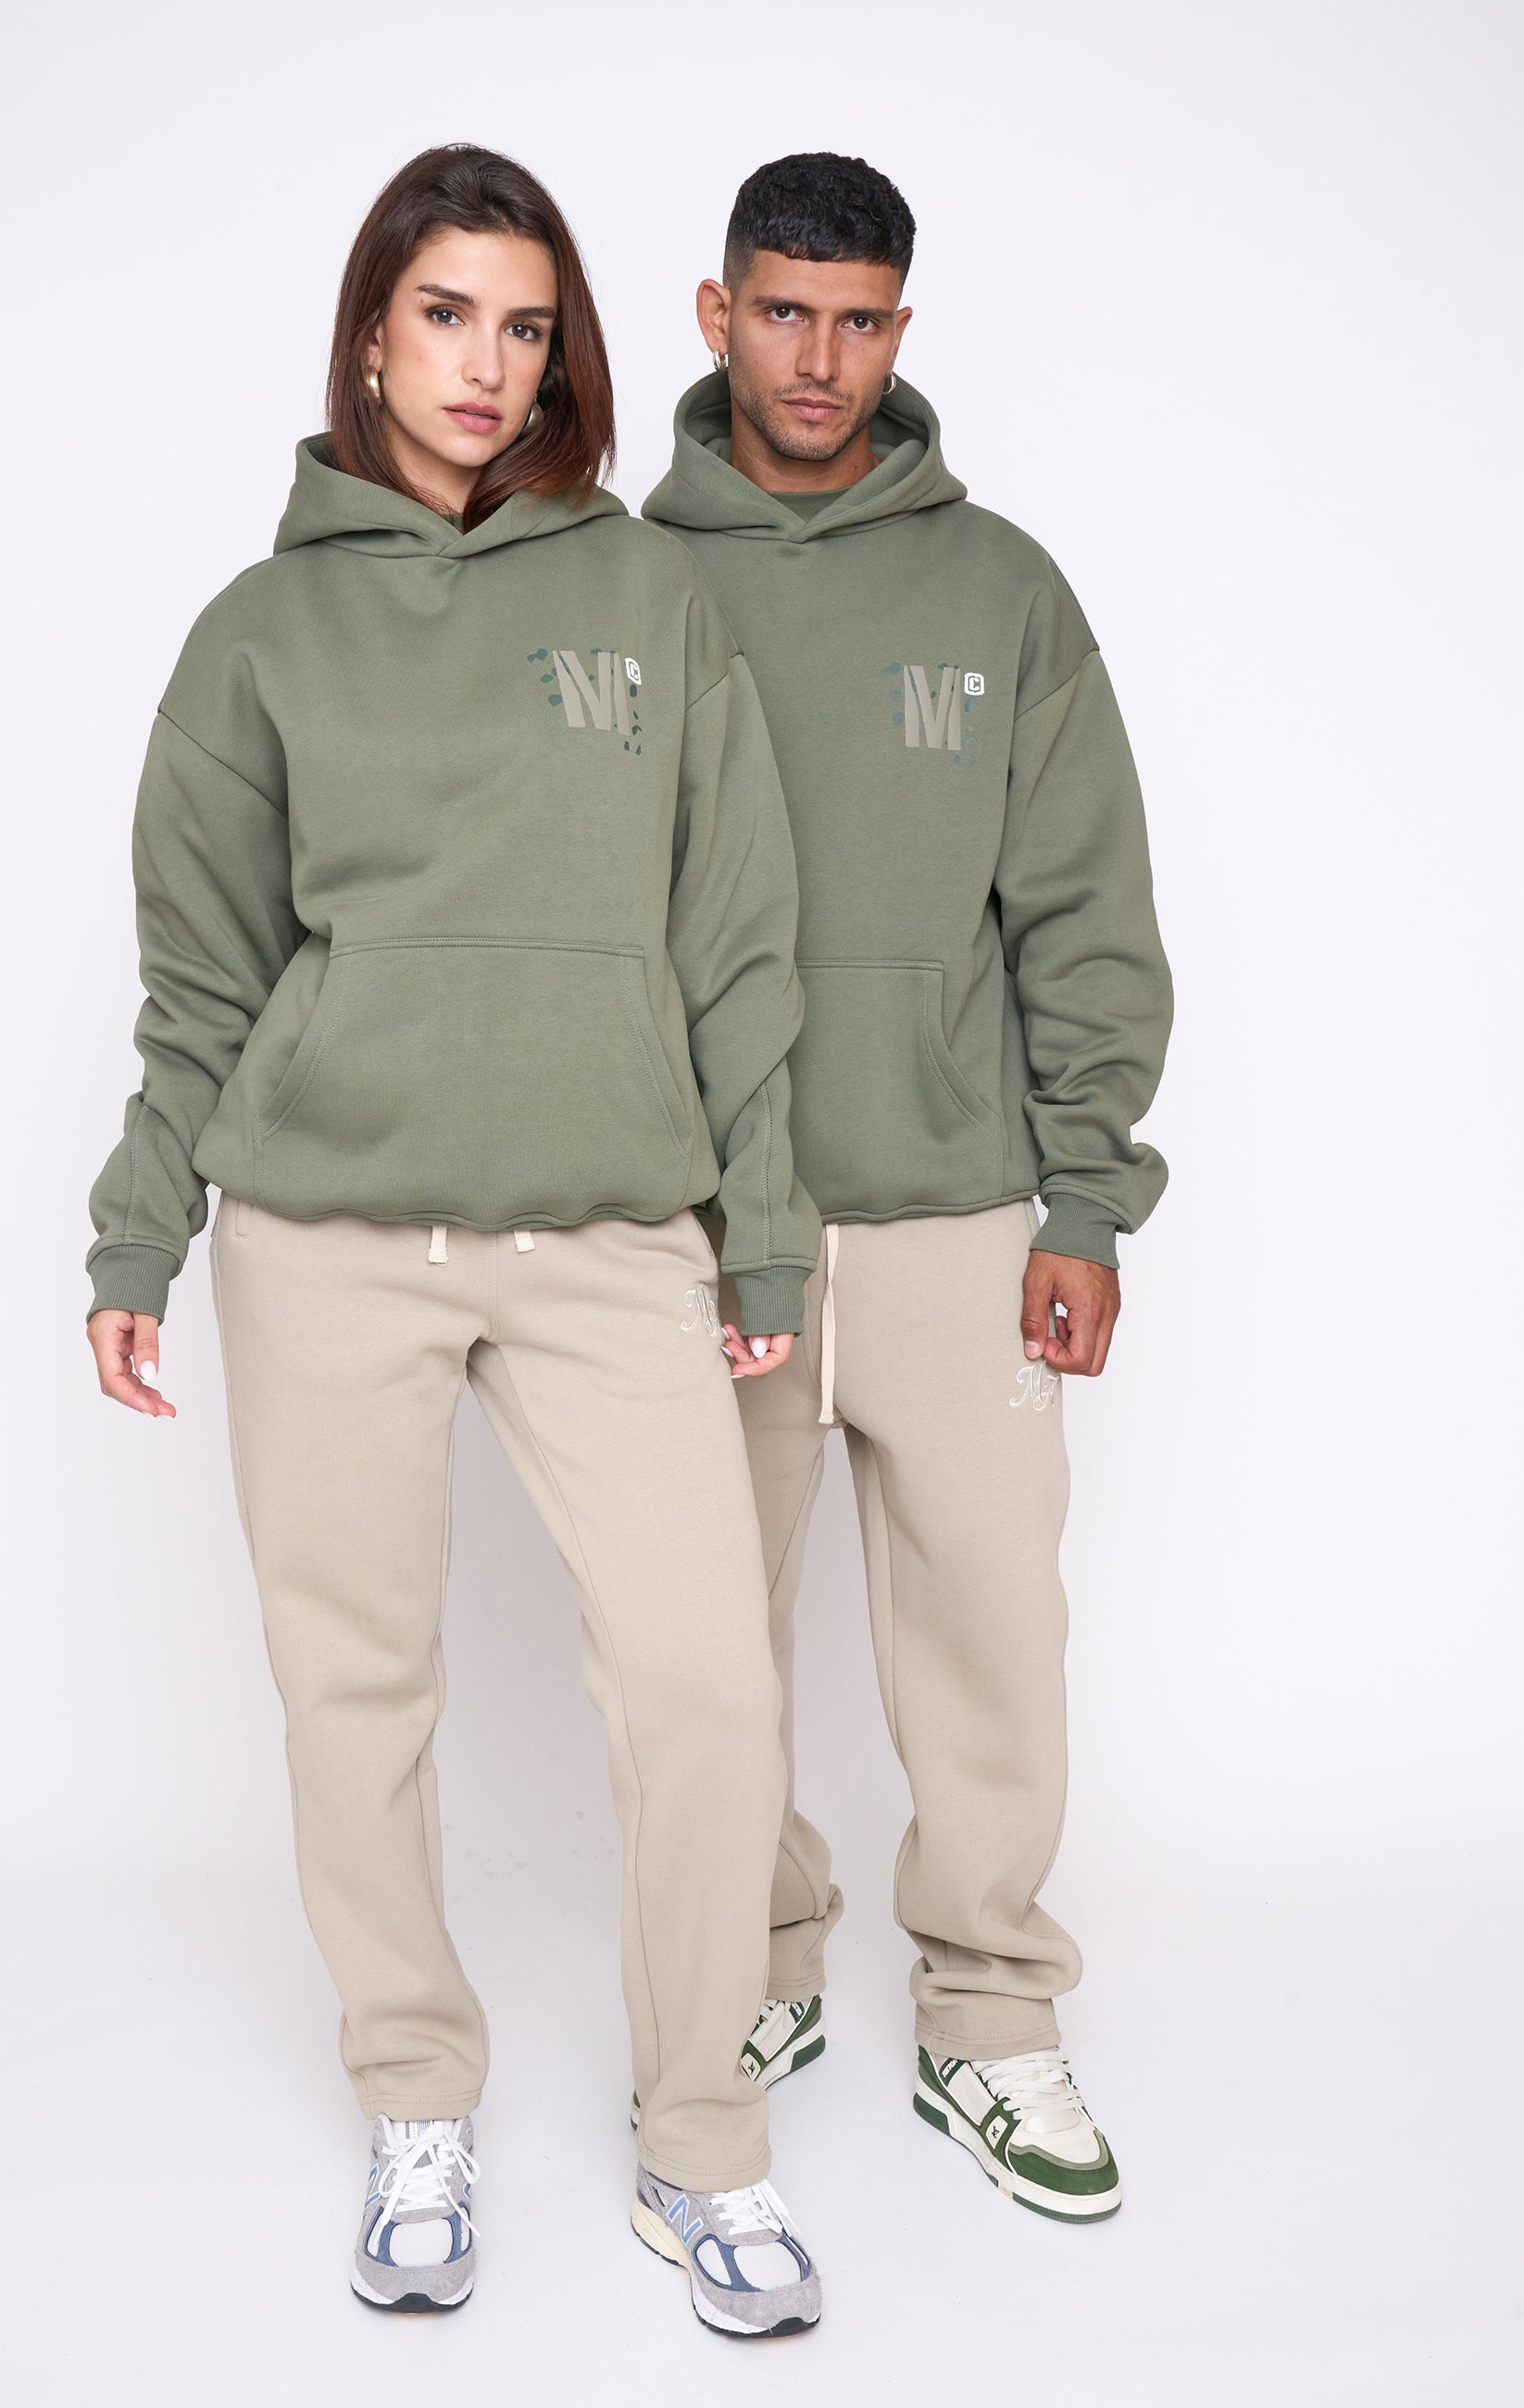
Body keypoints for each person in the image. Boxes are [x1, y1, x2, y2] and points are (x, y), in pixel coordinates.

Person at [84, 144, 824, 2337]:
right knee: (357, 1691)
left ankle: (702, 2137)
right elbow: (199, 976)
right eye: (445, 316)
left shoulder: (647, 597)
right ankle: (417, 2094)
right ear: (371, 334)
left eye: (526, 325)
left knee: (707, 1685)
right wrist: (137, 1232)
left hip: (608, 1236)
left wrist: (760, 1242)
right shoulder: (260, 633)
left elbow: (738, 941)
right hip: (325, 1238)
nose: (486, 365)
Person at [643, 151, 1173, 2224]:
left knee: (993, 1639)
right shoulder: (624, 580)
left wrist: (1085, 1200)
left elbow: (1085, 911)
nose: (818, 357)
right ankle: (765, 1965)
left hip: (959, 1216)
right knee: (710, 1646)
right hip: (714, 1222)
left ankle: (988, 2012)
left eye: (858, 320)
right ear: (715, 314)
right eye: (783, 311)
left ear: (902, 330)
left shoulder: (1001, 591)